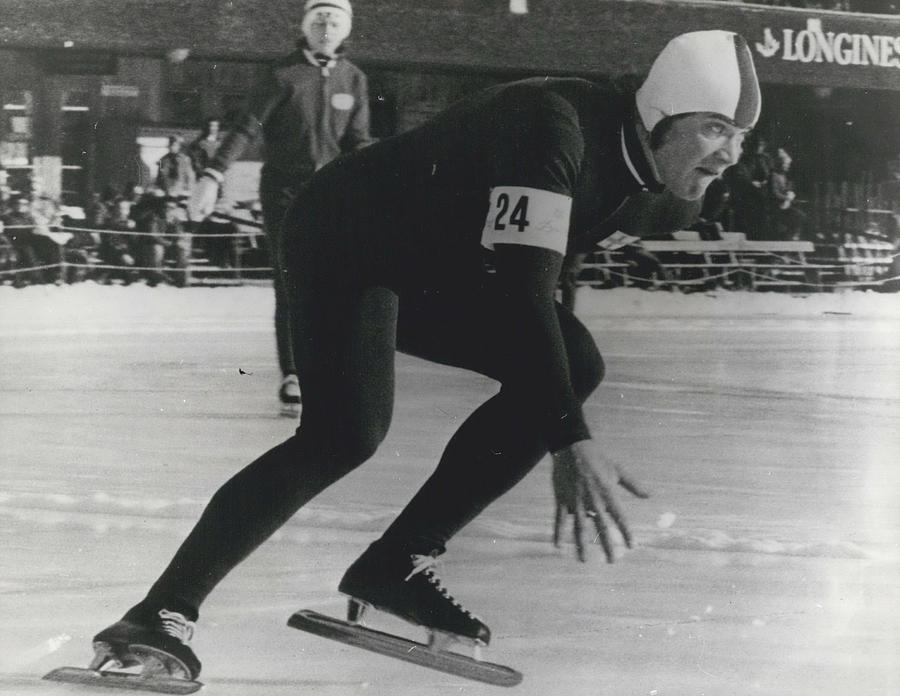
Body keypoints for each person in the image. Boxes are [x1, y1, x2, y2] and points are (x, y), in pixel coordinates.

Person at [91, 30, 760, 684]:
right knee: (343, 435)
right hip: (345, 234)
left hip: (436, 262)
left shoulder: (646, 184)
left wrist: (555, 409)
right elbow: (524, 290)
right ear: (662, 114)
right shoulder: (555, 125)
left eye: (739, 136)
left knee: (574, 362)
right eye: (715, 129)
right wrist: (567, 437)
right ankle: (158, 612)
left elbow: (544, 284)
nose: (730, 153)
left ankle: (395, 563)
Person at [189, 0, 374, 416]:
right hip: (285, 193)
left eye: (335, 19)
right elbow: (247, 128)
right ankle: (293, 373)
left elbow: (359, 142)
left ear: (346, 29)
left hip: (334, 195)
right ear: (306, 26)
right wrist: (213, 175)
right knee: (292, 280)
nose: (327, 25)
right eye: (319, 18)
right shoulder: (280, 75)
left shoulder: (354, 79)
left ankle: (327, 369)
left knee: (336, 283)